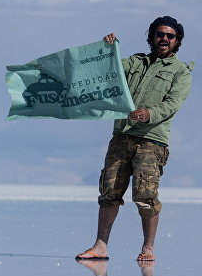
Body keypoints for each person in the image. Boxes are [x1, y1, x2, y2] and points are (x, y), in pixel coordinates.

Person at [77, 16, 192, 262]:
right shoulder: (136, 63)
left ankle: (148, 248)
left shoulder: (180, 72)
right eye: (160, 34)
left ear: (177, 41)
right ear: (151, 36)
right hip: (122, 135)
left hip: (152, 139)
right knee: (109, 191)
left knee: (146, 196)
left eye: (170, 36)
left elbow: (173, 104)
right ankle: (100, 246)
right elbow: (110, 71)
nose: (164, 39)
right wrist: (107, 49)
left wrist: (149, 113)